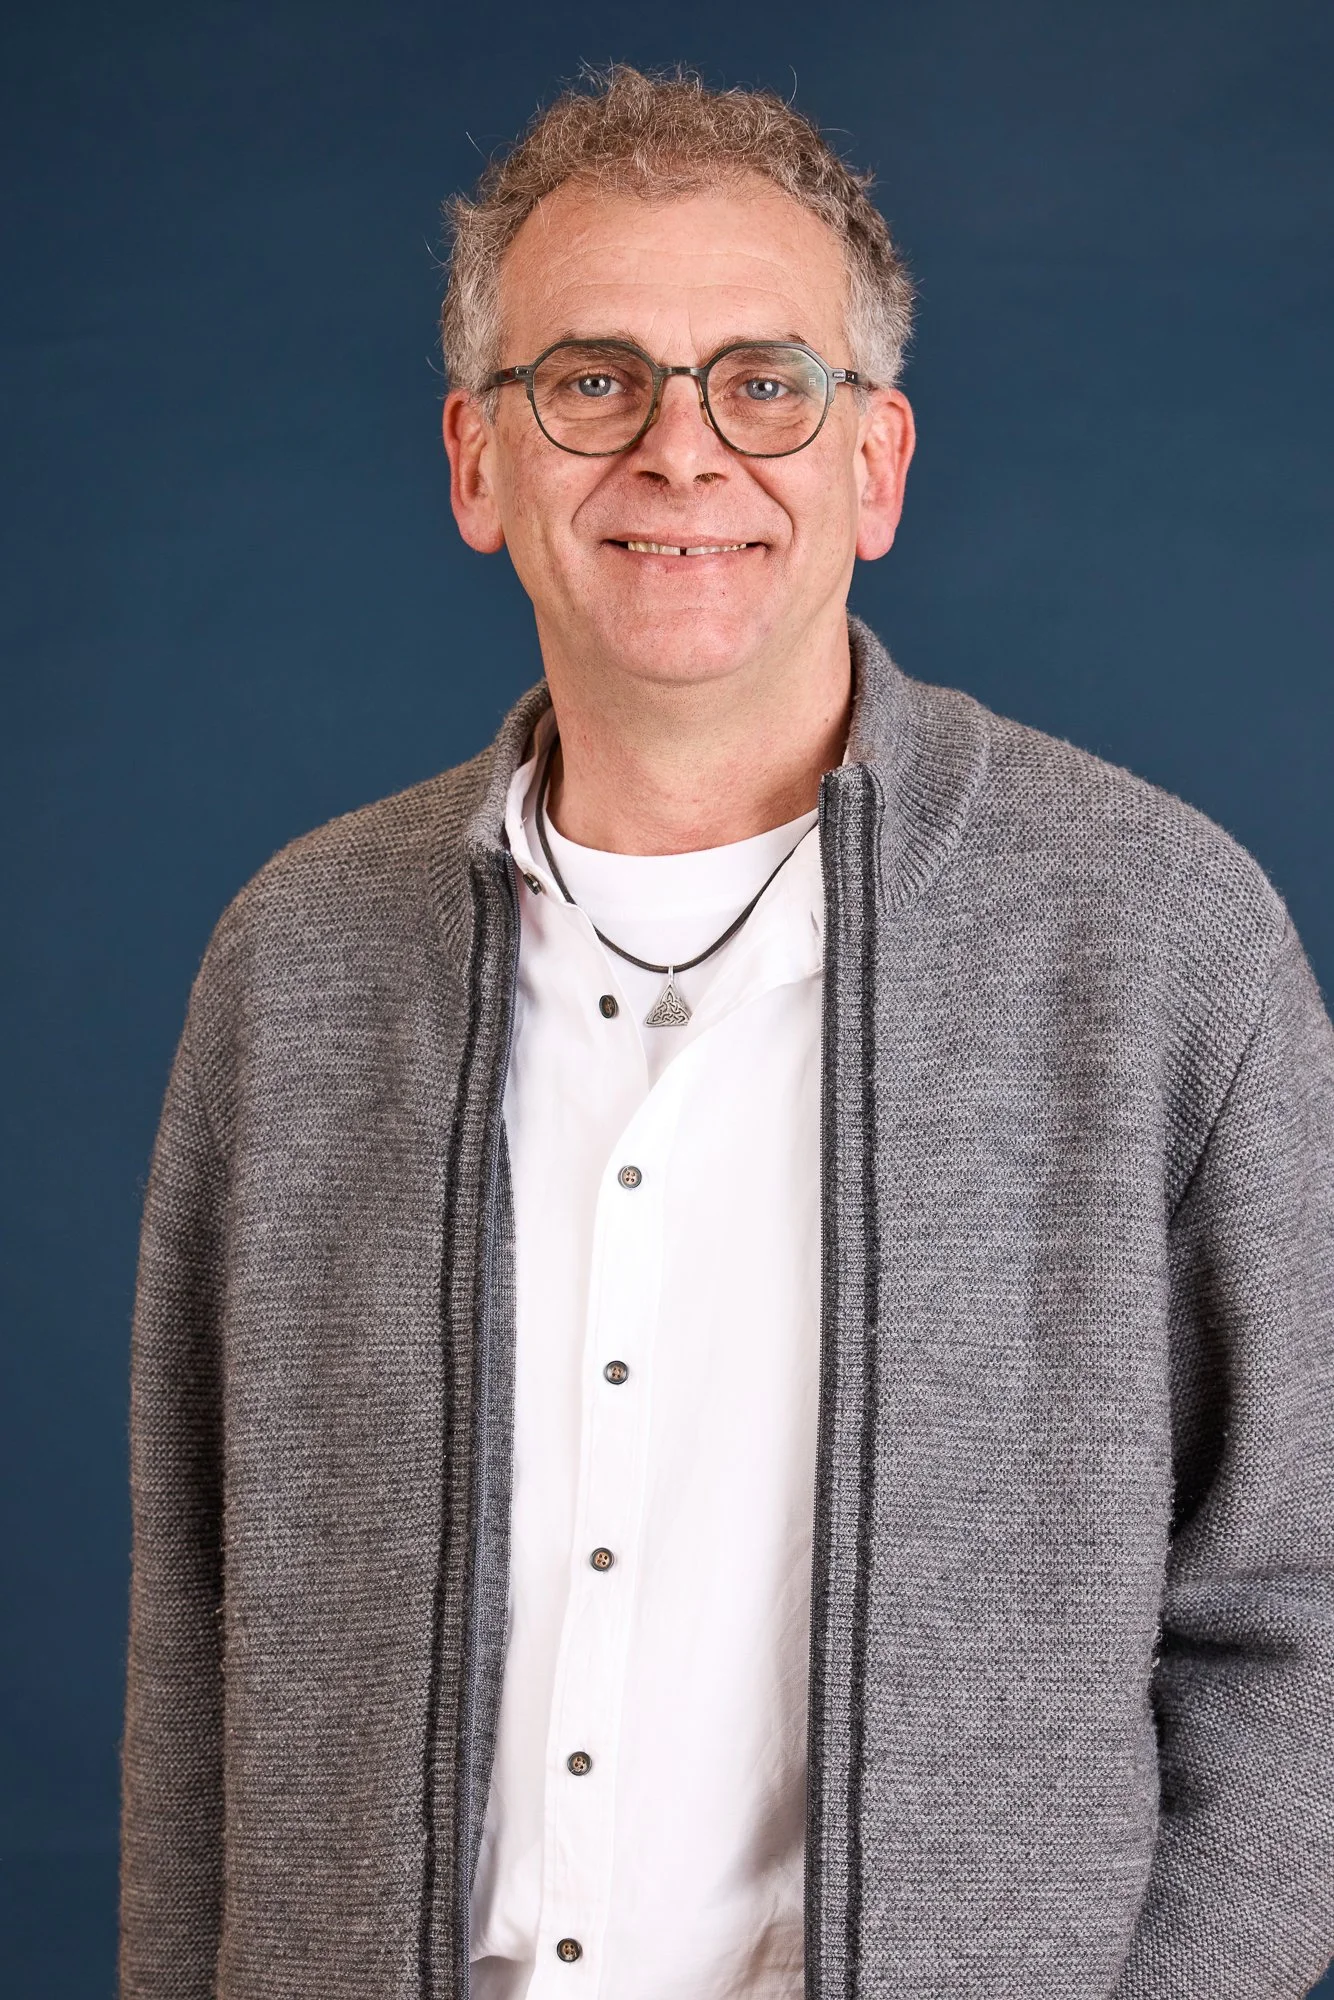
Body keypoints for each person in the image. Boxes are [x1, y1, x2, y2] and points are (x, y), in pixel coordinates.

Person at [119, 63, 1334, 2000]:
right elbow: (202, 1641)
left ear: (875, 461)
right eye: (591, 380)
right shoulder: (295, 966)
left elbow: (1296, 1612)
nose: (682, 453)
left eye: (764, 381)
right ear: (475, 461)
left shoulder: (1159, 940)